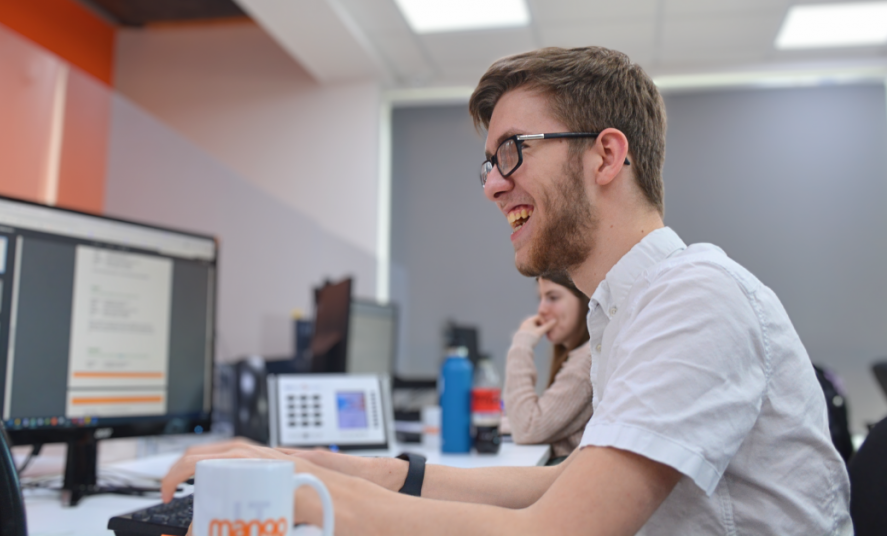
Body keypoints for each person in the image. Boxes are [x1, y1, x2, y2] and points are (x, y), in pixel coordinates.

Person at [162, 46, 852, 534]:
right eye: (489, 163)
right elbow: (568, 484)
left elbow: (555, 530)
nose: (493, 184)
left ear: (607, 154)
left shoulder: (694, 297)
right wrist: (341, 469)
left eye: (514, 149)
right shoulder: (628, 311)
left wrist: (293, 493)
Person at [504, 274, 591, 462]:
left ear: (584, 298)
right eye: (541, 298)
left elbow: (527, 428)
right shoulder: (579, 356)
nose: (542, 309)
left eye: (553, 298)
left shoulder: (586, 361)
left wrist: (522, 345)